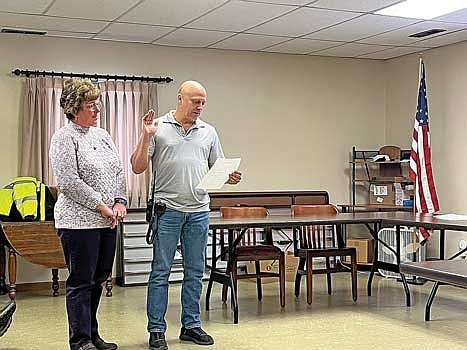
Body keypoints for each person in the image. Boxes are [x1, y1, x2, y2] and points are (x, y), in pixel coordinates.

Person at [131, 81, 241, 350]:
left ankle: (190, 325)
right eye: (195, 101)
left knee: (194, 272)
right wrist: (146, 136)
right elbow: (137, 167)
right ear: (180, 99)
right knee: (161, 272)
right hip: (167, 211)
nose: (200, 107)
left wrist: (230, 177)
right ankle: (156, 329)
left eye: (203, 102)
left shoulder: (209, 132)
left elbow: (217, 168)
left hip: (199, 212)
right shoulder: (157, 127)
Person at [49, 79, 128, 350]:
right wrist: (100, 205)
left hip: (107, 221)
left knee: (99, 278)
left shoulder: (103, 135)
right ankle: (80, 340)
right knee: (81, 281)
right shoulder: (63, 137)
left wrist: (119, 201)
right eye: (91, 105)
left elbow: (118, 172)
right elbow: (69, 181)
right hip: (78, 223)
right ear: (74, 108)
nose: (98, 110)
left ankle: (92, 334)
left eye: (98, 104)